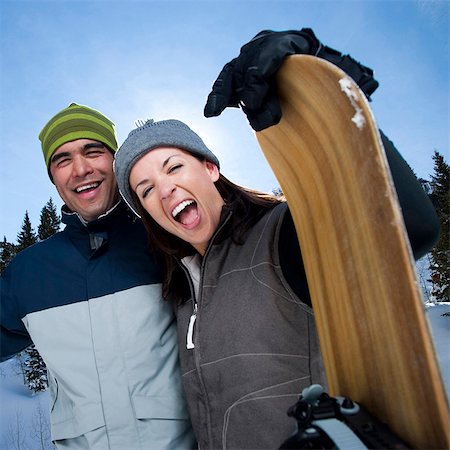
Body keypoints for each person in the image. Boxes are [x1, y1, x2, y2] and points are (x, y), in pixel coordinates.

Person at [113, 115, 439, 449]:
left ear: (210, 168)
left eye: (174, 167)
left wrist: (335, 113)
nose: (165, 189)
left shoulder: (281, 235)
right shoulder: (182, 292)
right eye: (147, 190)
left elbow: (412, 227)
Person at [0, 103, 196, 449]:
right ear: (54, 178)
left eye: (93, 151)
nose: (80, 169)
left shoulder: (167, 239)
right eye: (62, 160)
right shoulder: (28, 273)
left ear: (115, 160)